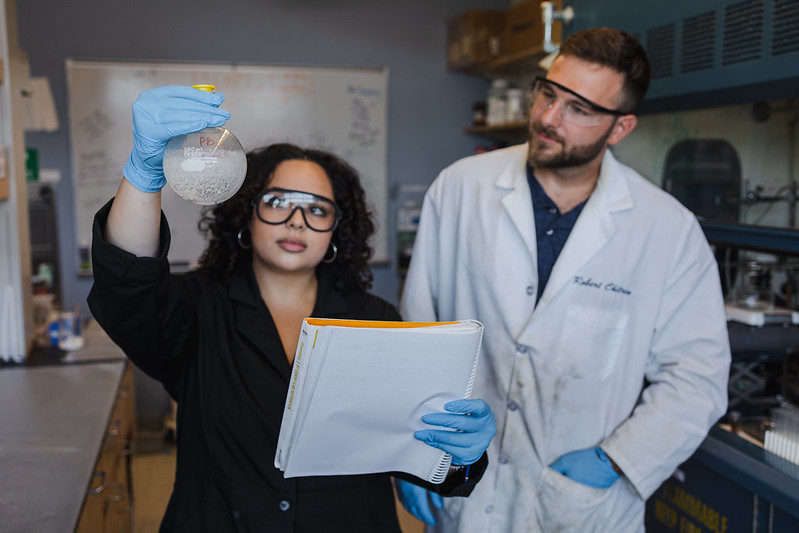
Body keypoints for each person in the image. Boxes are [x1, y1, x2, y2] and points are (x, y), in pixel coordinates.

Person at [87, 85, 496, 532]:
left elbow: (411, 451)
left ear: (336, 230)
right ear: (246, 213)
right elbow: (129, 283)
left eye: (317, 210)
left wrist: (460, 454)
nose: (297, 222)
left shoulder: (376, 319)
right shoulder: (197, 307)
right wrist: (144, 174)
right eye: (278, 202)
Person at [397, 28, 731, 532]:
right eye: (548, 94)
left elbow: (697, 377)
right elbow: (419, 331)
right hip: (467, 485)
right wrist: (413, 455)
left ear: (620, 128)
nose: (549, 118)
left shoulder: (666, 229)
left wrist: (614, 460)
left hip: (581, 506)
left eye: (580, 109)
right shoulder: (462, 188)